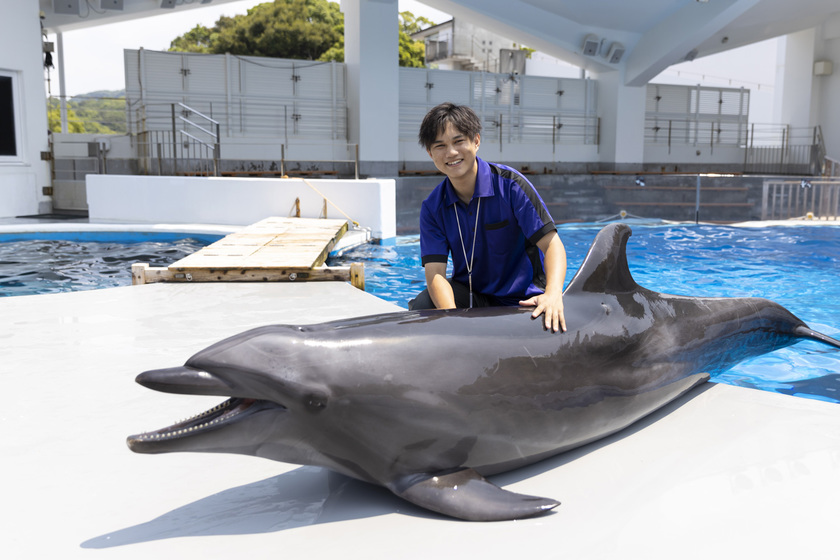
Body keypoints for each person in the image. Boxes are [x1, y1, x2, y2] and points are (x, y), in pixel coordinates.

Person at [408, 102, 568, 333]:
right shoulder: (433, 207)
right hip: (474, 297)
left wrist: (553, 294)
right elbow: (435, 274)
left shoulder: (510, 186)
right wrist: (453, 320)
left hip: (523, 298)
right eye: (440, 146)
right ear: (430, 153)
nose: (451, 153)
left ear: (476, 141)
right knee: (424, 305)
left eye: (458, 141)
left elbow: (552, 245)